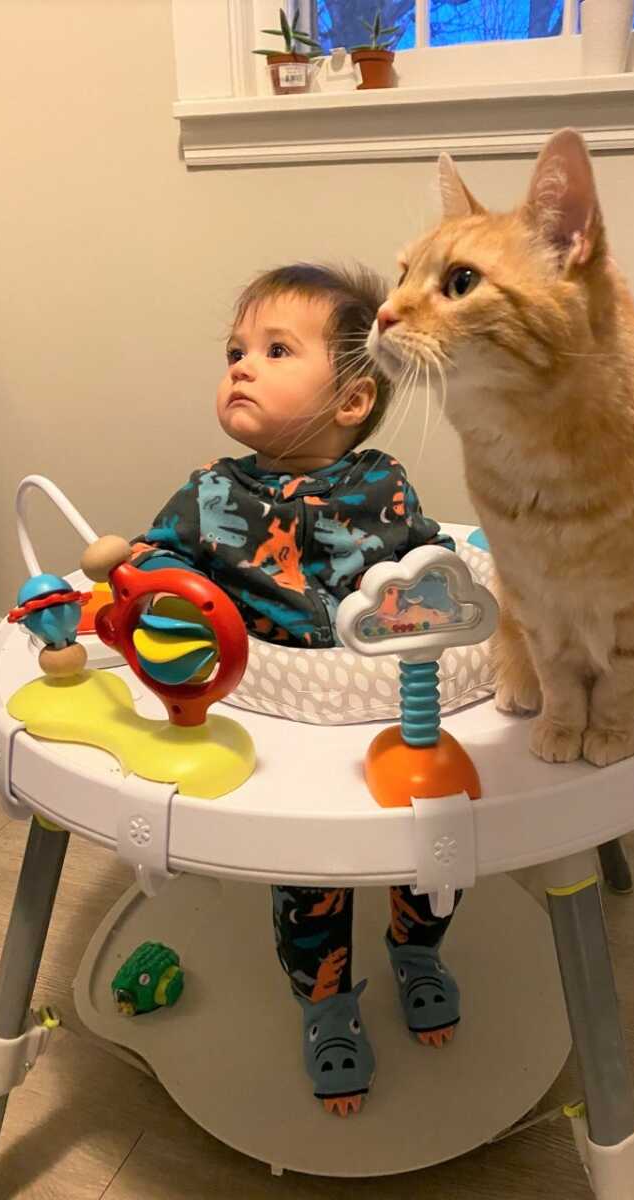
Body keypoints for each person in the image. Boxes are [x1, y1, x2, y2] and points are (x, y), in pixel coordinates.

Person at [132, 264, 463, 1116]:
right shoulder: (212, 490)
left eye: (276, 349)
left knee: (436, 846)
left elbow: (431, 566)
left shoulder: (384, 484)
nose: (241, 364)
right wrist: (155, 587)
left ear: (353, 400)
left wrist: (440, 594)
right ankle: (326, 1003)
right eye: (236, 349)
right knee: (307, 874)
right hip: (277, 722)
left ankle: (417, 950)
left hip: (393, 710)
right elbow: (156, 559)